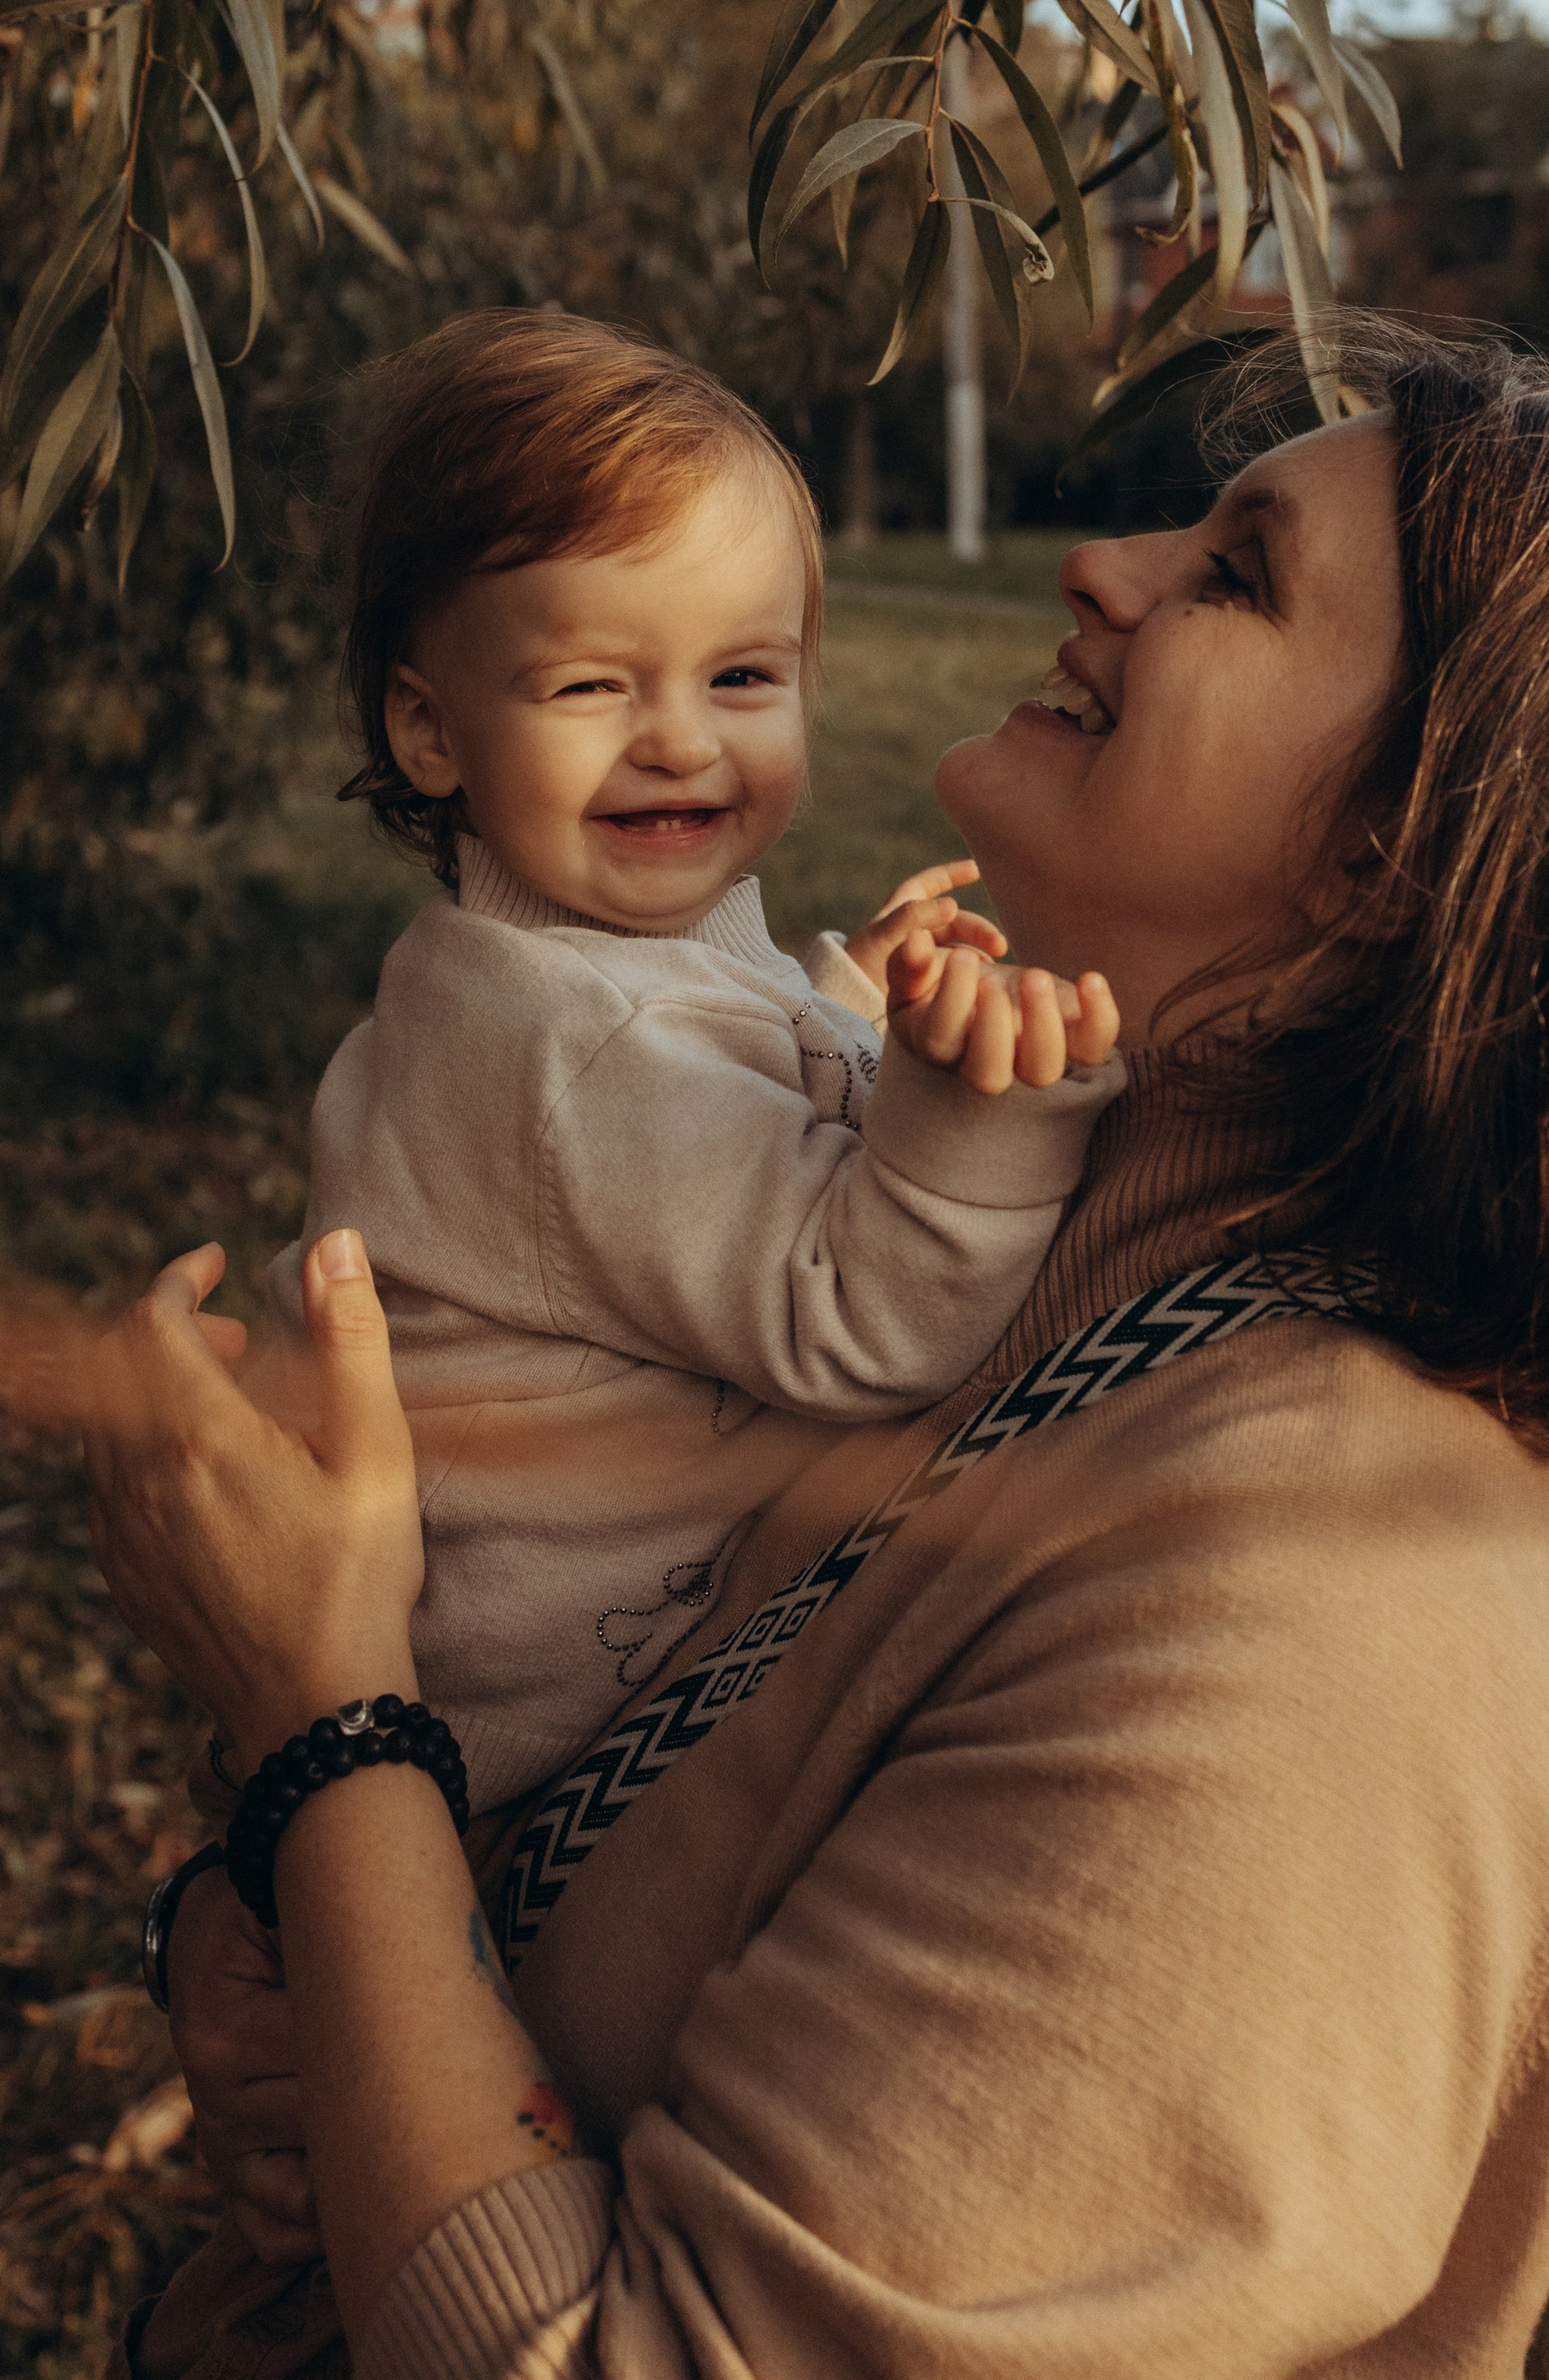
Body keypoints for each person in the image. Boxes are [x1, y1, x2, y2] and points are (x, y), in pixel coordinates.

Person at [86, 320, 1549, 2379]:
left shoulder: (1321, 1637)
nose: (1096, 564)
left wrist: (324, 1738)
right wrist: (277, 1934)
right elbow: (621, 1726)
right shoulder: (1029, 1239)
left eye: (1229, 573)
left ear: (1397, 855)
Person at [253, 310, 1123, 1813]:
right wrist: (984, 1105)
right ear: (430, 728)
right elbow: (855, 1318)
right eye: (593, 687)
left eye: (739, 678)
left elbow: (697, 1092)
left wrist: (843, 1004)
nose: (676, 742)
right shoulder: (575, 1052)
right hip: (506, 1759)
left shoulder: (547, 975)